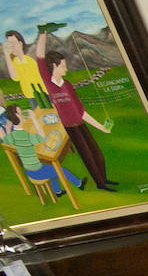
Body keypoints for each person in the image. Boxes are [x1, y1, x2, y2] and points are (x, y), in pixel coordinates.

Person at [35, 42, 116, 190]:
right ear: (54, 66)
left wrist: (101, 127)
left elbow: (81, 110)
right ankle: (100, 184)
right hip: (70, 128)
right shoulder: (49, 82)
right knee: (88, 157)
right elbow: (40, 58)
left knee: (97, 154)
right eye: (63, 66)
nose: (66, 68)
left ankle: (104, 179)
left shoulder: (67, 85)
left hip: (80, 124)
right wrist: (43, 33)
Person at [0, 104, 85, 199]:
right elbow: (42, 137)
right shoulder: (25, 135)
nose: (23, 115)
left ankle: (57, 191)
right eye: (20, 113)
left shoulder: (13, 135)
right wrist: (34, 119)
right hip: (37, 170)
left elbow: (6, 140)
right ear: (17, 116)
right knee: (61, 170)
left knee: (52, 171)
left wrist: (7, 129)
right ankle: (79, 184)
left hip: (29, 169)